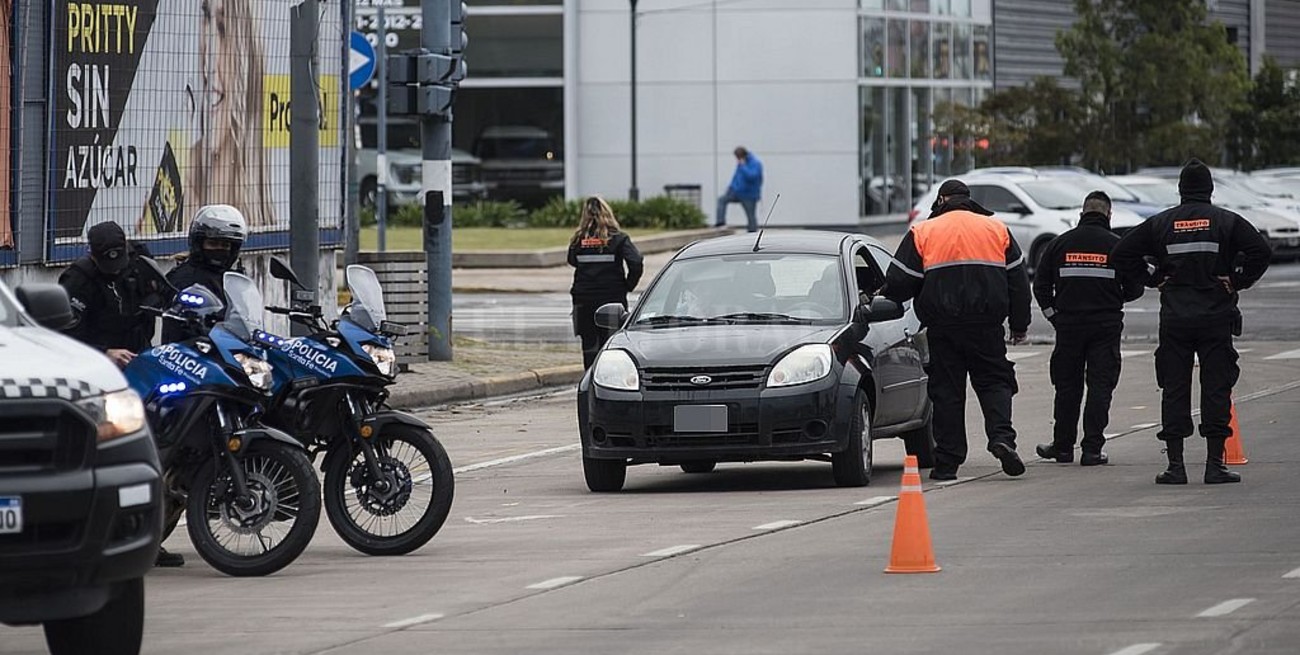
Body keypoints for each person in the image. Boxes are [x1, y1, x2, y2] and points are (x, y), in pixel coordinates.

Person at [1112, 159, 1271, 485]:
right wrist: (1237, 280)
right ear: (1210, 189)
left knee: (1174, 388)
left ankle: (1176, 466)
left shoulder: (1162, 223)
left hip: (1176, 319)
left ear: (1181, 190)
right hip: (1215, 317)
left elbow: (1121, 253)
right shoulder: (1226, 221)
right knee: (1216, 387)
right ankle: (1214, 465)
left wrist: (1153, 278)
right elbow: (1261, 251)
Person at [884, 179, 1032, 481]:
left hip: (943, 328)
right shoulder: (997, 230)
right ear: (969, 199)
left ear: (941, 201)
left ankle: (947, 463)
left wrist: (887, 298)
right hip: (987, 327)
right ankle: (1002, 437)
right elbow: (1018, 283)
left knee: (947, 392)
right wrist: (1019, 325)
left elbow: (899, 283)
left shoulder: (923, 232)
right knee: (996, 382)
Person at [1032, 191, 1145, 467]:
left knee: (1067, 387)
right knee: (1100, 386)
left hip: (1068, 326)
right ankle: (1092, 449)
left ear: (1082, 214)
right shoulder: (1117, 246)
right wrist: (1114, 299)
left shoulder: (1059, 244)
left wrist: (1053, 316)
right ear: (1109, 214)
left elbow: (1041, 286)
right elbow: (1136, 286)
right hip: (1105, 325)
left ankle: (1063, 448)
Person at [58, 222, 163, 369]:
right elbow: (66, 337)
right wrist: (104, 353)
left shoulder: (139, 260)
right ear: (92, 254)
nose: (115, 270)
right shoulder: (78, 281)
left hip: (139, 352)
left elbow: (162, 291)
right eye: (108, 265)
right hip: (98, 363)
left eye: (119, 263)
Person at [568, 196, 644, 369]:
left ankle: (590, 379)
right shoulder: (619, 239)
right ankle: (609, 378)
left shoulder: (578, 240)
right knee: (612, 344)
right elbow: (636, 262)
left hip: (583, 299)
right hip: (612, 298)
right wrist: (628, 285)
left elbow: (572, 260)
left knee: (589, 345)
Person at [162, 205, 247, 343]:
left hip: (229, 346)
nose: (219, 249)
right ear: (199, 244)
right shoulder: (183, 277)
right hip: (191, 349)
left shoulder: (232, 279)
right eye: (213, 244)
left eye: (225, 245)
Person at [716, 147, 764, 232]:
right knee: (722, 200)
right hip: (736, 192)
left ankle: (752, 232)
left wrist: (743, 166)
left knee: (751, 216)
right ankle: (720, 222)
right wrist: (731, 187)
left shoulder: (755, 163)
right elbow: (737, 176)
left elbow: (752, 176)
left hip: (749, 194)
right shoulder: (741, 164)